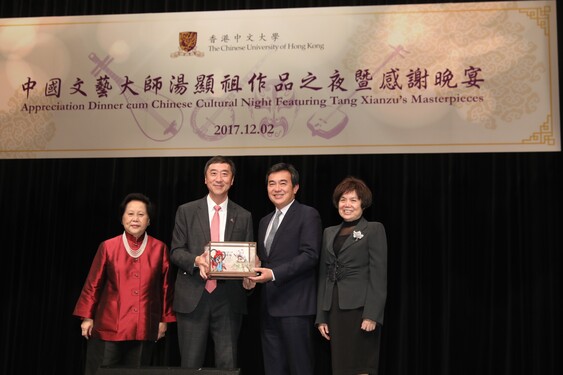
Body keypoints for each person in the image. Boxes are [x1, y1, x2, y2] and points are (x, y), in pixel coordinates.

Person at [73, 193, 175, 375]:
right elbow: (93, 283)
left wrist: (164, 320)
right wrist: (87, 317)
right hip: (109, 325)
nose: (135, 219)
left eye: (141, 214)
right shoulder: (108, 246)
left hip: (144, 325)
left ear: (149, 220)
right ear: (122, 218)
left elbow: (165, 287)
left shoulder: (160, 249)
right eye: (130, 214)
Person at [170, 155, 253, 369]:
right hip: (192, 297)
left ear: (232, 180)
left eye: (225, 174)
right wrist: (197, 260)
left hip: (229, 298)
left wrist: (248, 275)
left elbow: (247, 257)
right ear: (205, 179)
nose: (219, 178)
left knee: (228, 364)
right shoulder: (186, 211)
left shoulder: (243, 216)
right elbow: (176, 251)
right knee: (190, 364)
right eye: (213, 173)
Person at [248, 162, 322, 375]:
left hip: (296, 308)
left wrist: (273, 274)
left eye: (283, 183)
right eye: (272, 184)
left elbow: (310, 255)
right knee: (273, 369)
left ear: (295, 188)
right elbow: (265, 260)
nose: (277, 188)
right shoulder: (264, 221)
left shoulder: (308, 215)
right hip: (268, 308)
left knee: (301, 369)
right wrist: (249, 272)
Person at [316, 177, 387, 375]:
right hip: (335, 310)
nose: (347, 204)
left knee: (361, 366)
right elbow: (324, 275)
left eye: (353, 200)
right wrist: (321, 316)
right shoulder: (329, 233)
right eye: (343, 199)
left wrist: (372, 314)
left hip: (361, 310)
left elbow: (379, 276)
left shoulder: (374, 229)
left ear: (362, 203)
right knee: (341, 367)